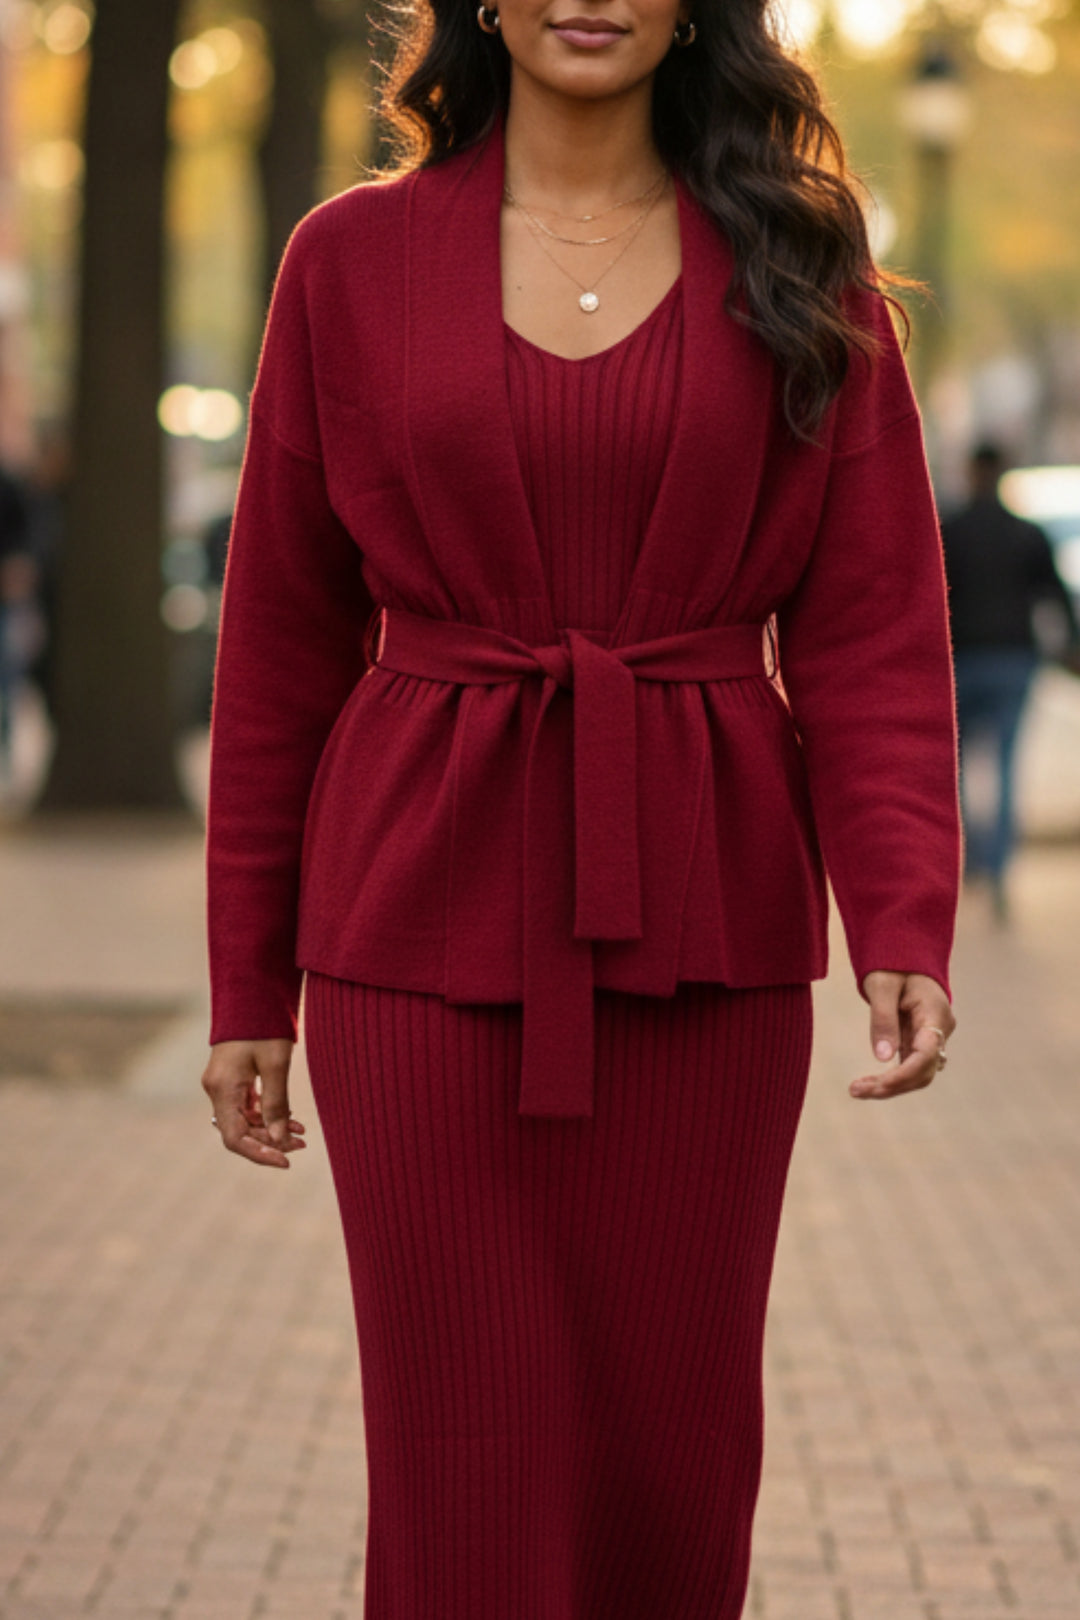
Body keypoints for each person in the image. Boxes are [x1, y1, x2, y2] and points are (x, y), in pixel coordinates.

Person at [201, 1, 961, 1613]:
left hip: (711, 928)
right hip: (413, 924)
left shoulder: (801, 261)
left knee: (672, 1455)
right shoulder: (348, 261)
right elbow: (277, 644)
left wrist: (904, 917)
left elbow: (873, 628)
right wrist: (244, 983)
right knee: (460, 1445)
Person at [942, 441, 1080, 920]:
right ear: (1002, 472)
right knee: (1004, 765)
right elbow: (1057, 596)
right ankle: (999, 868)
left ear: (970, 472)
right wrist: (1071, 647)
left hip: (958, 662)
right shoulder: (1027, 534)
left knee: (952, 768)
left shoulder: (950, 531)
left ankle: (968, 858)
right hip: (1014, 660)